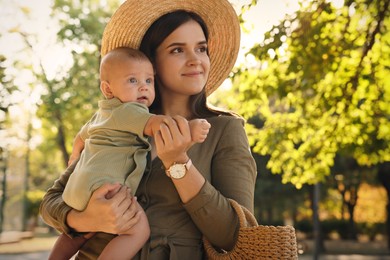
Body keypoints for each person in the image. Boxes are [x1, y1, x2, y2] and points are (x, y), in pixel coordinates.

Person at [40, 0, 257, 259]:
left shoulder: (225, 130)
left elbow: (235, 236)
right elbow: (51, 203)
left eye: (201, 48)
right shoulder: (114, 123)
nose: (195, 60)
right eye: (177, 50)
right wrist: (83, 219)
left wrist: (178, 164)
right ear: (151, 63)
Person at [48, 47, 211, 260]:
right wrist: (190, 128)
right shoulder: (129, 111)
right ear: (108, 90)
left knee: (80, 234)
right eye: (133, 81)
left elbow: (81, 136)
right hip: (106, 187)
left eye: (149, 81)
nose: (143, 86)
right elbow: (159, 125)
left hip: (78, 188)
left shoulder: (101, 114)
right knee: (138, 231)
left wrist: (76, 151)